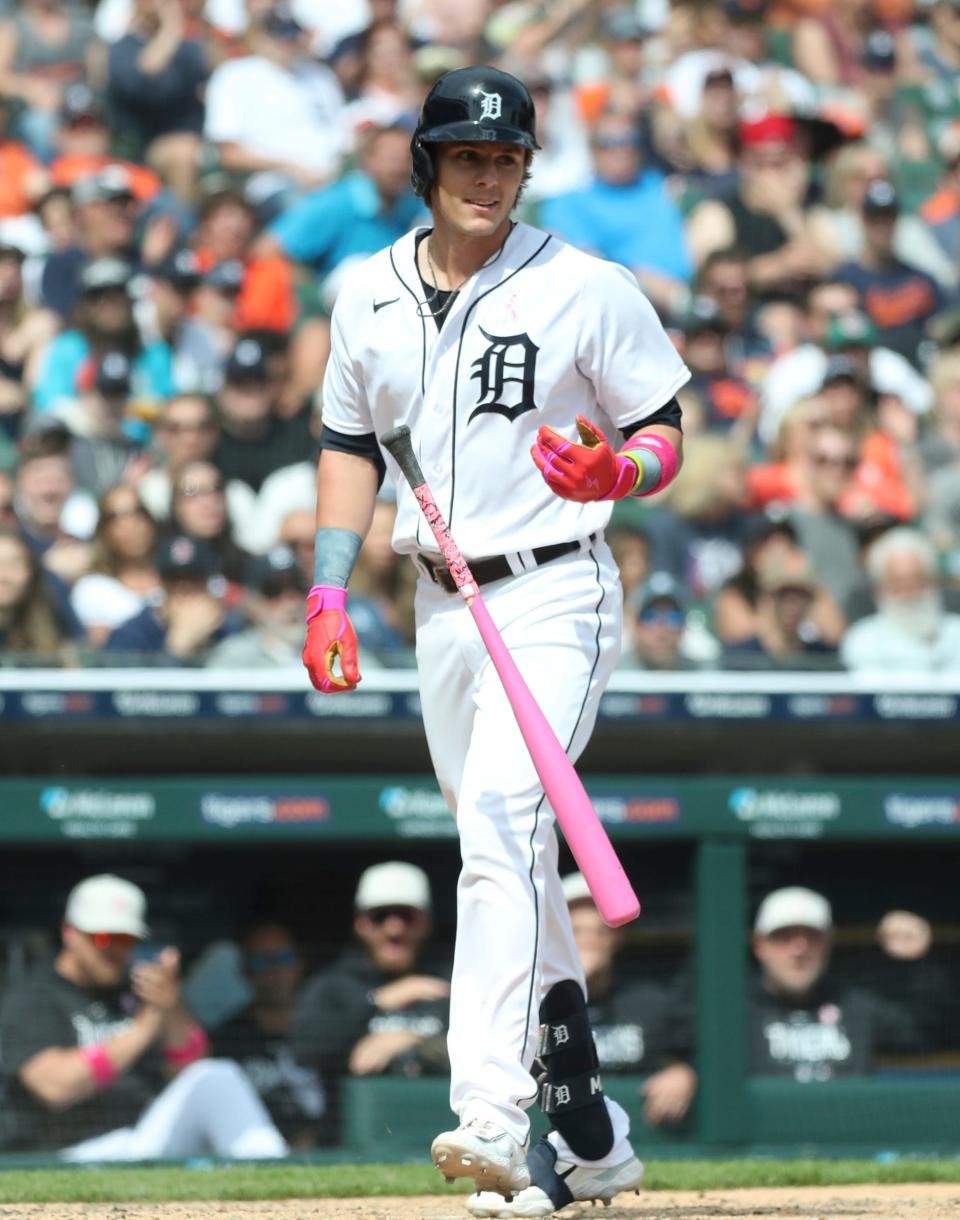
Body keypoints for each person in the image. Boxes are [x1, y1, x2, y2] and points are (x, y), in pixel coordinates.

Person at [302, 66, 687, 1213]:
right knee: (509, 851)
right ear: (429, 164)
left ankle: (489, 1115)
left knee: (502, 826)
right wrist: (327, 588)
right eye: (468, 156)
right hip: (439, 605)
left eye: (507, 158)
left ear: (527, 169)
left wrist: (623, 469)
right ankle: (585, 1114)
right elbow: (347, 442)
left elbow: (667, 430)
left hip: (556, 590)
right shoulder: (363, 290)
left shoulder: (586, 285)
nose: (488, 175)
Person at [0, 873, 288, 1159]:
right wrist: (145, 1026)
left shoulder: (138, 992)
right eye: (103, 937)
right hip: (71, 1153)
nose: (115, 948)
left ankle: (276, 1181)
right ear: (70, 933)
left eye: (125, 938)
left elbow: (191, 1069)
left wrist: (170, 1006)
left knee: (218, 1076)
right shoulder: (32, 997)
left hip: (143, 1139)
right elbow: (55, 1088)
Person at [290, 863, 450, 1139]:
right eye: (380, 916)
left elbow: (491, 1056)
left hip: (442, 1132)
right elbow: (304, 1052)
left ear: (426, 923)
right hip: (351, 1139)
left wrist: (416, 1042)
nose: (394, 928)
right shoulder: (334, 984)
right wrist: (375, 1002)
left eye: (407, 916)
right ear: (361, 924)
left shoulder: (450, 980)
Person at [561, 873, 696, 1126]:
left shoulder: (651, 1003)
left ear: (618, 936)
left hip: (636, 1132)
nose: (589, 941)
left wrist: (684, 1073)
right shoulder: (530, 1004)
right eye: (577, 931)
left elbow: (692, 1055)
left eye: (599, 931)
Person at [749, 886, 921, 1081]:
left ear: (829, 942)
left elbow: (930, 1031)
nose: (798, 950)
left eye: (811, 936)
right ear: (759, 945)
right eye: (784, 936)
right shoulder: (733, 1014)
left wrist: (919, 961)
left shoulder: (857, 1006)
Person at [213, 922, 326, 1149]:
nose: (274, 970)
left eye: (283, 958)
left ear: (299, 964)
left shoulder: (328, 1029)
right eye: (261, 962)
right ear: (245, 972)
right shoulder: (227, 1040)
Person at [840, 527, 960, 671]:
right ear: (879, 590)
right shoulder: (862, 641)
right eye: (899, 586)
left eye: (918, 583)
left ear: (933, 583)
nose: (910, 595)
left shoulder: (955, 633)